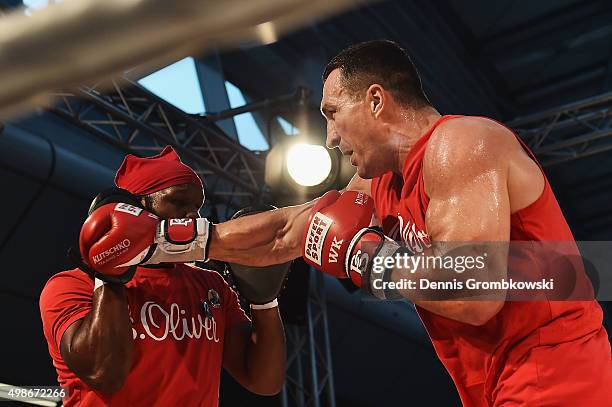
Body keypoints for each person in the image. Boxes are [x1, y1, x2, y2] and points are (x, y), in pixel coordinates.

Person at [204, 40, 612, 405]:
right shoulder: (376, 181)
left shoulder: (463, 144)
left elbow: (474, 295)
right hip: (490, 385)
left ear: (376, 101)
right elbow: (288, 231)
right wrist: (181, 240)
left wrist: (367, 259)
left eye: (332, 113)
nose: (329, 137)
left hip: (557, 375)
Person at [39, 146, 286, 406]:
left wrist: (265, 302)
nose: (192, 215)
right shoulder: (72, 285)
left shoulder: (211, 286)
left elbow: (264, 382)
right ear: (134, 207)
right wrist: (110, 272)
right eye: (178, 202)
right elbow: (104, 374)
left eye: (197, 206)